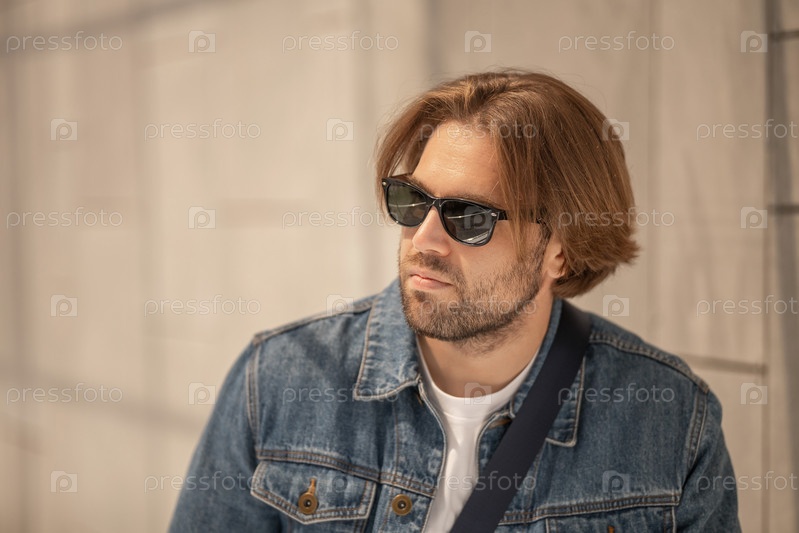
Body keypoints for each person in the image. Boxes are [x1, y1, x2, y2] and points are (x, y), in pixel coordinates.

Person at [169, 70, 740, 532]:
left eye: (469, 218)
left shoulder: (668, 420)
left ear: (561, 253)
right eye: (413, 201)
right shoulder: (278, 380)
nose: (424, 240)